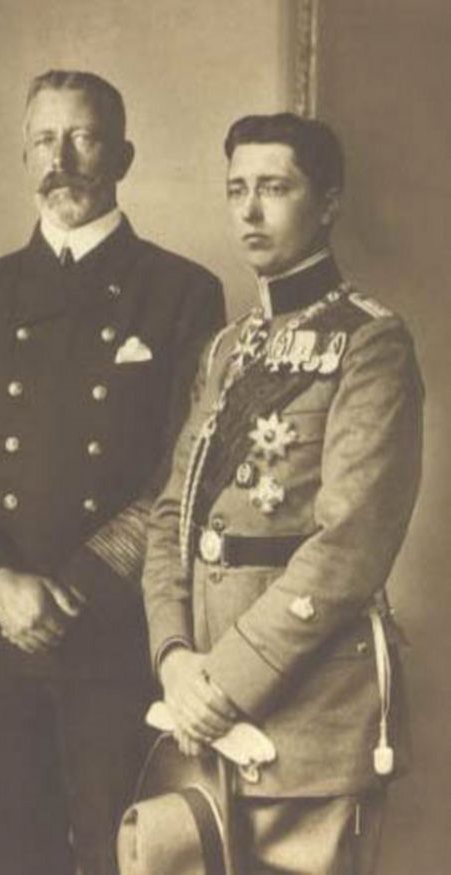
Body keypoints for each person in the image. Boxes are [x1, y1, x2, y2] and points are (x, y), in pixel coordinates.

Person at [0, 69, 225, 875]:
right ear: (25, 155)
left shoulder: (183, 293)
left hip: (115, 636)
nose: (63, 160)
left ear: (123, 155)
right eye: (45, 140)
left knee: (119, 853)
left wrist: (74, 587)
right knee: (3, 857)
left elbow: (183, 474)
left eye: (83, 138)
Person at [142, 113, 423, 873]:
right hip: (202, 705)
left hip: (309, 715)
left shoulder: (370, 343)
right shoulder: (228, 350)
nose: (250, 210)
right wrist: (174, 658)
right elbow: (172, 518)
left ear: (327, 203)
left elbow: (349, 547)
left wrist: (222, 681)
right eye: (237, 189)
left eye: (274, 188)